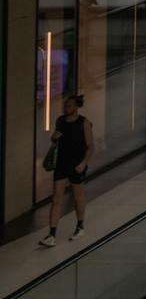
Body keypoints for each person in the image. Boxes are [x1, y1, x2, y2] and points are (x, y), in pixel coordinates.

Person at [38, 95, 93, 247]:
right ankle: (52, 234)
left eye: (69, 106)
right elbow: (56, 139)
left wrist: (84, 163)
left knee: (78, 196)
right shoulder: (60, 121)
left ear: (76, 107)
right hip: (61, 164)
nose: (66, 108)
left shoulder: (83, 123)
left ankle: (80, 226)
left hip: (77, 165)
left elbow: (91, 146)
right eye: (65, 105)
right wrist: (54, 137)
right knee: (56, 198)